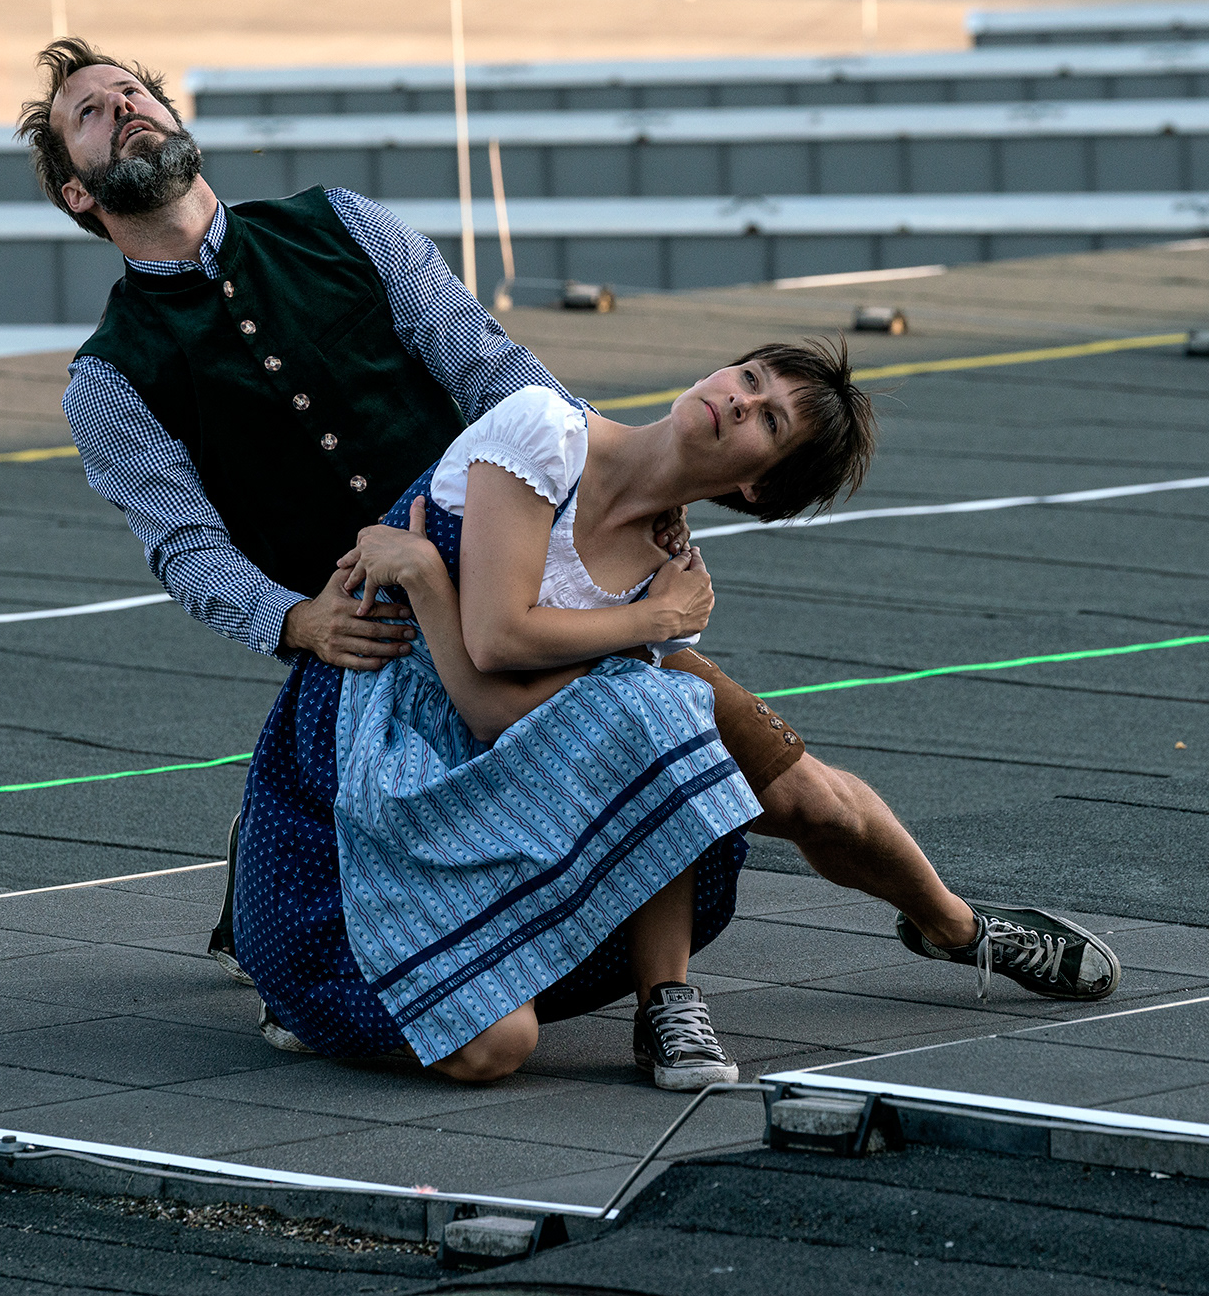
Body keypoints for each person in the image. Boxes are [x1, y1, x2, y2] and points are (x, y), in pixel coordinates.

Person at [21, 36, 1121, 1052]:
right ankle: (346, 926)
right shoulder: (108, 379)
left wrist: (607, 476)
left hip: (520, 573)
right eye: (91, 113)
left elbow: (491, 369)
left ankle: (957, 926)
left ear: (177, 115)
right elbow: (188, 549)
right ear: (78, 189)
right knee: (454, 816)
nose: (126, 108)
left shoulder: (342, 222)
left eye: (135, 91)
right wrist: (299, 620)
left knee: (794, 791)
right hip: (380, 650)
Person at [239, 348, 884, 1087]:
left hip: (488, 763)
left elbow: (494, 711)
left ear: (757, 486)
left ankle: (667, 1002)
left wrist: (425, 575)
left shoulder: (666, 575)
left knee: (665, 712)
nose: (742, 400)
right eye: (750, 378)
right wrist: (651, 619)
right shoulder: (545, 431)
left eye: (770, 421)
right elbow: (496, 639)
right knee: (495, 1045)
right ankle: (312, 989)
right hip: (374, 747)